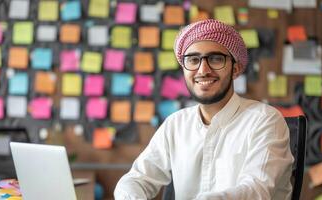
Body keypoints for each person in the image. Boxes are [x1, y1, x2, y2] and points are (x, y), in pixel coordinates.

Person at [114, 19, 294, 199]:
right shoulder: (176, 124)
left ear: (236, 69)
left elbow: (256, 191)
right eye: (193, 60)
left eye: (216, 59)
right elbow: (136, 179)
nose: (203, 70)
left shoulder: (265, 120)